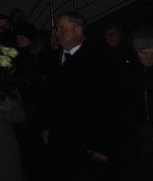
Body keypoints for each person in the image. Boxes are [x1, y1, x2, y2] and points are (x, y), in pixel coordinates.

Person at [33, 11, 123, 181]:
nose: (56, 32)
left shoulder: (99, 59)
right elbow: (48, 97)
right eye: (56, 28)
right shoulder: (54, 59)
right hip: (60, 141)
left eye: (61, 28)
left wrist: (104, 145)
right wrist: (46, 126)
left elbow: (109, 103)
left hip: (87, 142)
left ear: (77, 30)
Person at [120, 25, 153, 180]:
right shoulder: (128, 73)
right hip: (137, 136)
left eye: (152, 53)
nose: (149, 58)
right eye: (143, 53)